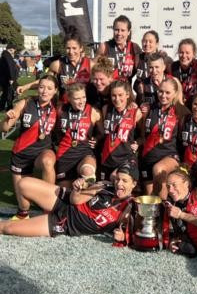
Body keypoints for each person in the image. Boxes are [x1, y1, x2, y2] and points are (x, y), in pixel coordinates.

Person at [0, 162, 137, 239]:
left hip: (66, 222)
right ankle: (23, 214)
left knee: (8, 228)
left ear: (134, 184)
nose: (119, 184)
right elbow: (75, 199)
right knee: (23, 184)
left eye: (125, 181)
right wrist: (82, 187)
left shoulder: (131, 205)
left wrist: (124, 238)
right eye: (118, 179)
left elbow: (139, 234)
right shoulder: (106, 185)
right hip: (65, 201)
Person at [0, 75, 58, 219]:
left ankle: (49, 206)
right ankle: (23, 211)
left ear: (55, 91)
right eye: (42, 87)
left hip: (42, 153)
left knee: (48, 161)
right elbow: (4, 129)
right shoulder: (25, 103)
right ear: (37, 88)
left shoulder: (57, 106)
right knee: (24, 207)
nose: (45, 91)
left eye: (49, 88)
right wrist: (8, 118)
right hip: (21, 154)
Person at [141, 77, 189, 196]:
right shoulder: (149, 108)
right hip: (148, 156)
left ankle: (164, 210)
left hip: (169, 156)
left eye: (167, 93)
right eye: (160, 91)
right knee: (150, 196)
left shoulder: (181, 111)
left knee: (159, 169)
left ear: (175, 93)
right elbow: (141, 133)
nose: (163, 95)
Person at [17, 32, 92, 103]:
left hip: (85, 107)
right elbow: (45, 82)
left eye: (74, 48)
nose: (71, 52)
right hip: (64, 108)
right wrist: (25, 87)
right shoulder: (57, 64)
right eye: (68, 48)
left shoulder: (90, 65)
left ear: (81, 48)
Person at [55, 83, 103, 186]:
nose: (81, 101)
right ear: (69, 98)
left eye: (83, 97)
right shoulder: (61, 110)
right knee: (65, 194)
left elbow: (102, 133)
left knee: (88, 172)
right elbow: (56, 131)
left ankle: (89, 198)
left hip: (84, 153)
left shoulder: (93, 111)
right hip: (65, 155)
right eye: (77, 99)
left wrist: (96, 140)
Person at [101, 80, 142, 181]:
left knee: (117, 179)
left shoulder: (136, 112)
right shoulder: (105, 109)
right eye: (113, 95)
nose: (117, 99)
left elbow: (143, 136)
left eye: (120, 95)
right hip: (107, 158)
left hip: (126, 158)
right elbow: (101, 134)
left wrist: (138, 143)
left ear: (127, 95)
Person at [97, 15, 141, 83]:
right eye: (116, 30)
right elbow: (95, 69)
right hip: (109, 91)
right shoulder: (104, 47)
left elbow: (145, 65)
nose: (119, 33)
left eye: (123, 30)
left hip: (126, 91)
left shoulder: (134, 47)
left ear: (128, 32)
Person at [171, 38, 197, 108]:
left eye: (187, 53)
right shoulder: (173, 67)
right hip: (177, 106)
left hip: (195, 106)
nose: (184, 56)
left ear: (194, 54)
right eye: (181, 52)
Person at [0, 43, 19, 111]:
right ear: (11, 49)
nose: (14, 51)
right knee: (9, 93)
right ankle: (9, 107)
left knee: (5, 93)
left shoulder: (5, 55)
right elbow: (10, 67)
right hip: (7, 78)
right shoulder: (7, 56)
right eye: (14, 49)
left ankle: (1, 107)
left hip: (4, 78)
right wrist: (11, 78)